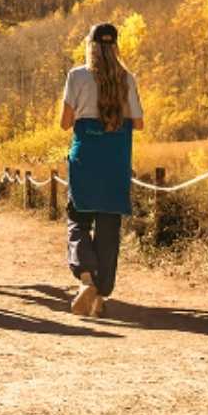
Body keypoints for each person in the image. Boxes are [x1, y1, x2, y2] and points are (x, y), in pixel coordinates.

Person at [60, 23, 144, 317]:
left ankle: (86, 279)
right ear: (115, 46)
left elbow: (65, 122)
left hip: (86, 157)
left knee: (78, 220)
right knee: (109, 229)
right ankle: (100, 294)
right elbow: (139, 122)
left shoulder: (77, 75)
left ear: (90, 46)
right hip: (115, 159)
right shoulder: (127, 78)